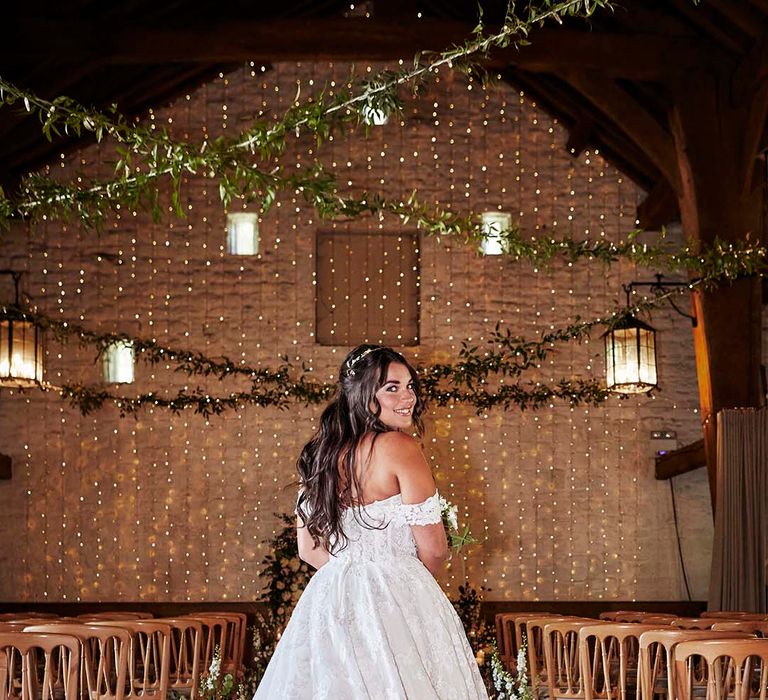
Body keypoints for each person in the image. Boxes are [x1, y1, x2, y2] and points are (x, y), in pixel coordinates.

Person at [253, 344, 490, 699]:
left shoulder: (318, 455)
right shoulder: (401, 447)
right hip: (399, 597)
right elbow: (435, 549)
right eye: (391, 387)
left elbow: (308, 549)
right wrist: (398, 587)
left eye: (410, 385)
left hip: (330, 601)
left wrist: (350, 577)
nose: (407, 396)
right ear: (363, 394)